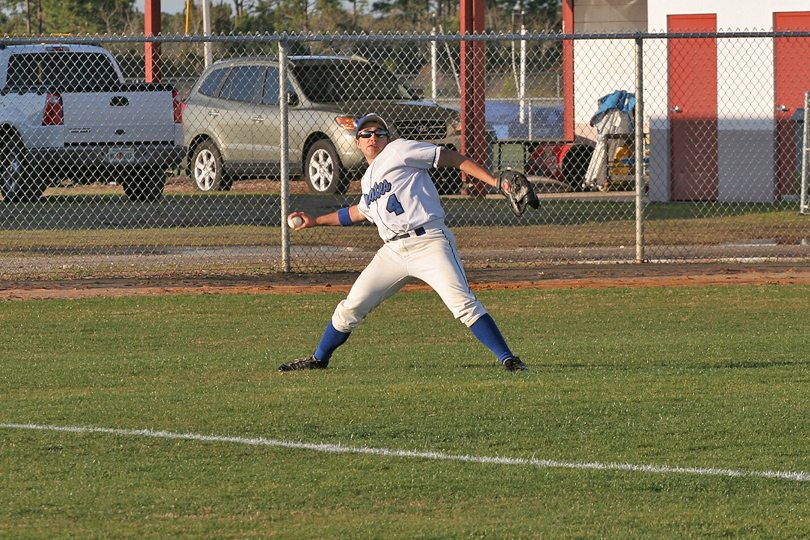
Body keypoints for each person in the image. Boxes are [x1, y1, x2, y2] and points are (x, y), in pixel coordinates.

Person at [278, 113, 527, 372]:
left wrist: (495, 181)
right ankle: (318, 360)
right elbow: (358, 212)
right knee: (351, 307)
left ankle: (509, 359)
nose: (373, 137)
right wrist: (315, 221)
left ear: (388, 138)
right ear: (357, 142)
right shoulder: (367, 180)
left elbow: (452, 158)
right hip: (393, 252)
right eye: (366, 133)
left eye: (379, 133)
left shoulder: (399, 150)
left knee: (463, 304)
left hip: (429, 242)